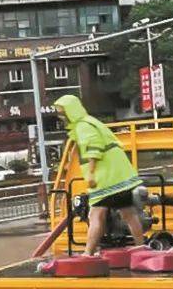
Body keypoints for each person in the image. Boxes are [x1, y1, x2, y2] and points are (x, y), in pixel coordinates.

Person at [54, 94, 144, 256]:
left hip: (106, 178)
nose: (61, 117)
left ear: (71, 112)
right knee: (128, 212)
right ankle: (141, 247)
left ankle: (88, 253)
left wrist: (91, 174)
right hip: (119, 176)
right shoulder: (91, 122)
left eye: (62, 113)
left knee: (96, 214)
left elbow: (94, 148)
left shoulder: (83, 126)